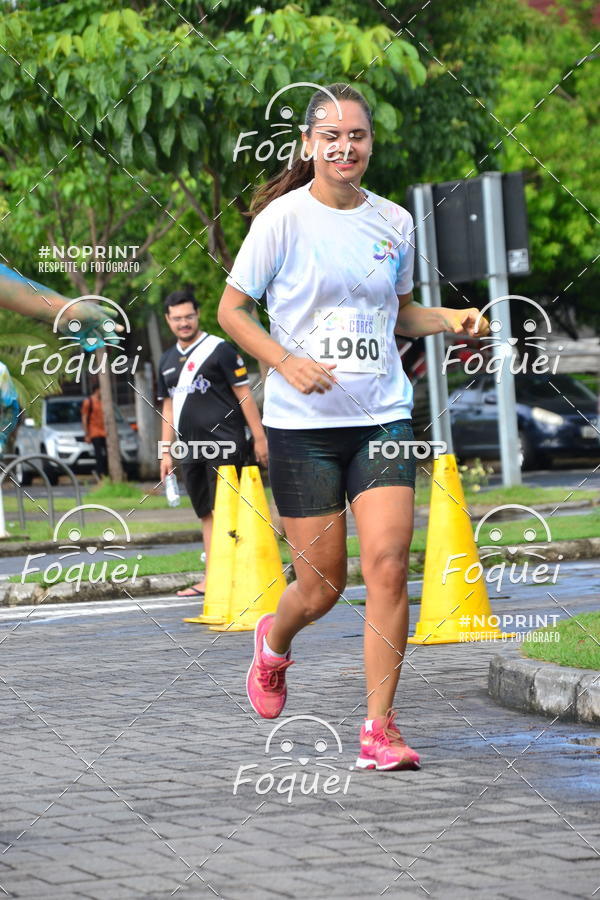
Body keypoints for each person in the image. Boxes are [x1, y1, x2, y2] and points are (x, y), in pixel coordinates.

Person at [218, 83, 489, 771]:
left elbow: (399, 315)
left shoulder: (394, 222)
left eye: (357, 135)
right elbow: (232, 310)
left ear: (370, 144)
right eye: (331, 136)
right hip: (302, 425)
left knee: (391, 568)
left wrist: (454, 319)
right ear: (309, 145)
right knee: (322, 587)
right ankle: (274, 643)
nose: (346, 146)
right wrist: (285, 361)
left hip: (382, 416)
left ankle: (379, 728)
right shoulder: (281, 221)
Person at [157, 288, 268, 598]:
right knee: (205, 512)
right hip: (188, 450)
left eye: (189, 316)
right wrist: (165, 452)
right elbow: (167, 407)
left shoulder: (220, 350)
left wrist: (259, 439)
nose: (184, 323)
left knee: (229, 510)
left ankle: (244, 576)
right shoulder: (165, 361)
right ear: (168, 320)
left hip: (226, 444)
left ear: (198, 315)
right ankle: (213, 578)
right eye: (177, 318)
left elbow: (244, 394)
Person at [81, 385, 108, 479]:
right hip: (94, 431)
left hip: (104, 432)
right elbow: (84, 418)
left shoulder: (104, 401)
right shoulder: (89, 401)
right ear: (97, 390)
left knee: (107, 453)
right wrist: (87, 434)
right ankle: (100, 473)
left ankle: (106, 472)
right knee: (99, 454)